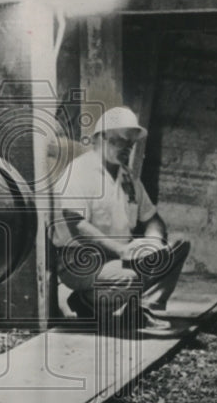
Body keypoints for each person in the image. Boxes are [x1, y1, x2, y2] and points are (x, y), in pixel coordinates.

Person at [51, 106, 191, 332]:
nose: (127, 149)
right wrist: (120, 250)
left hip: (121, 254)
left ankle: (141, 309)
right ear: (100, 138)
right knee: (129, 278)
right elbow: (75, 223)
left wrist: (153, 241)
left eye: (131, 144)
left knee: (178, 244)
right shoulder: (79, 172)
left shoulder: (127, 176)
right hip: (82, 260)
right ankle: (88, 303)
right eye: (121, 141)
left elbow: (152, 218)